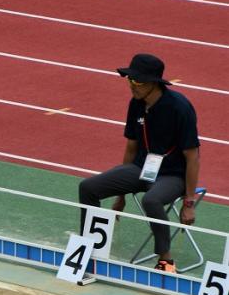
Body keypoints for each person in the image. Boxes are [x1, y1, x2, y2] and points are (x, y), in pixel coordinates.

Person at [79, 53, 200, 273]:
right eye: (130, 80)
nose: (132, 85)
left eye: (138, 81)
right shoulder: (135, 104)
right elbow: (131, 148)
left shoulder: (179, 108)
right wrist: (120, 195)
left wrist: (188, 202)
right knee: (87, 187)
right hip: (140, 169)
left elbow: (192, 157)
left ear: (154, 83)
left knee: (151, 200)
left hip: (172, 176)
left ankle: (166, 260)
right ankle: (87, 246)